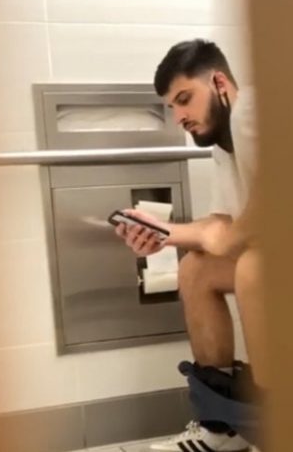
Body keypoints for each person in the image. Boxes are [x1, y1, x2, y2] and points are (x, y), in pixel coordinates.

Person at [114, 39, 265, 452]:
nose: (179, 116)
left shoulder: (252, 112)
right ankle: (223, 429)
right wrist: (162, 232)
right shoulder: (224, 144)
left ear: (219, 83)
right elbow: (220, 225)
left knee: (252, 266)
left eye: (185, 99)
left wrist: (231, 239)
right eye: (172, 107)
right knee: (196, 270)